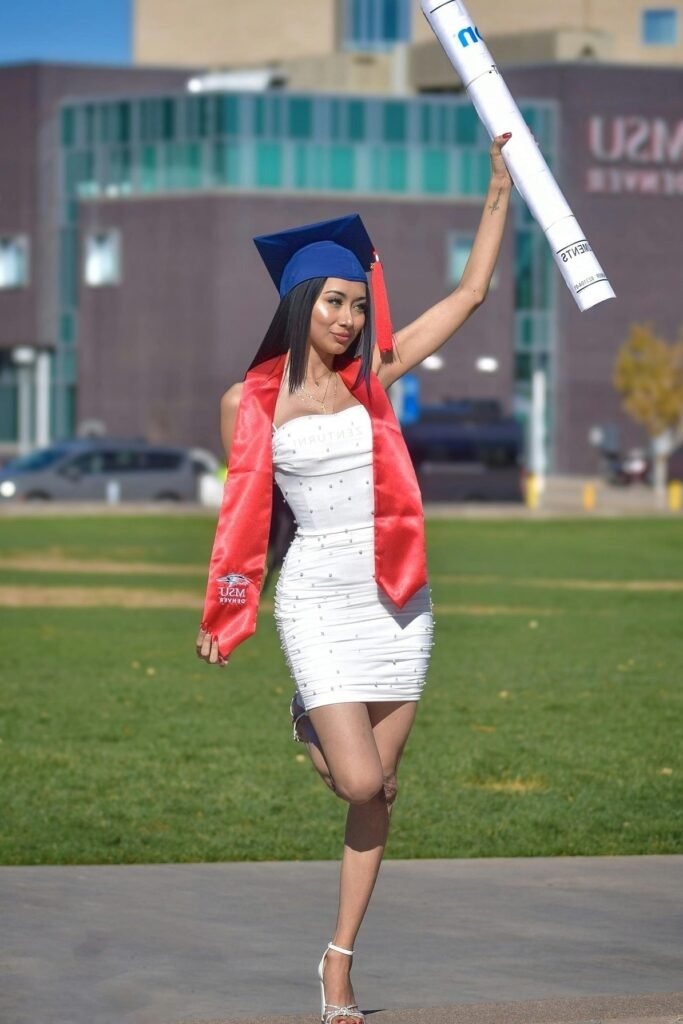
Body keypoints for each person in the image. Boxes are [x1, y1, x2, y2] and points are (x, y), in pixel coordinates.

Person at [196, 133, 513, 1024]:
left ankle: (338, 964)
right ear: (301, 303)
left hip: (397, 603)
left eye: (356, 306)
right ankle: (307, 707)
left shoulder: (375, 379)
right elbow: (249, 519)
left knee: (372, 791)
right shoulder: (248, 403)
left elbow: (471, 293)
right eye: (333, 303)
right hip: (317, 602)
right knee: (364, 782)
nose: (348, 319)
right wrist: (225, 613)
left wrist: (497, 187)